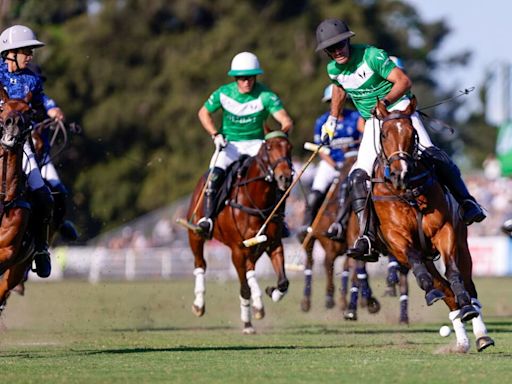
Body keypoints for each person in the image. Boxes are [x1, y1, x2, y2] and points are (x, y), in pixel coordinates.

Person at [314, 18, 486, 261]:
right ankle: (366, 236)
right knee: (357, 175)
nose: (337, 51)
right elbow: (339, 88)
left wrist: (384, 103)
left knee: (432, 153)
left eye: (340, 44)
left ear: (348, 41)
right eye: (331, 49)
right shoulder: (334, 69)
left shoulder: (371, 56)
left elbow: (404, 81)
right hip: (375, 121)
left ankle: (467, 202)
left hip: (400, 110)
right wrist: (332, 121)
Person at [196, 51, 293, 239]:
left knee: (280, 174)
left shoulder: (265, 95)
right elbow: (203, 113)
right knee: (214, 175)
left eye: (250, 77)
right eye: (242, 78)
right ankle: (208, 219)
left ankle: (279, 219)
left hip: (257, 144)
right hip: (230, 144)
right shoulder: (223, 93)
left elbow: (285, 119)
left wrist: (282, 130)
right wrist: (215, 134)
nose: (246, 82)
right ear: (235, 78)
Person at [0, 25, 64, 277]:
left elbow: (43, 101)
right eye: (26, 50)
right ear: (10, 53)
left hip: (21, 145)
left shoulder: (33, 80)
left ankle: (40, 248)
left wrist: (52, 109)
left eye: (31, 51)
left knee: (45, 195)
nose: (30, 56)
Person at [297, 84, 363, 241]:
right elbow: (321, 149)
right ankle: (306, 225)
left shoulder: (355, 117)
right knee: (315, 193)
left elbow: (364, 137)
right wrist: (334, 165)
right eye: (331, 101)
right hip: (330, 164)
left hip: (352, 162)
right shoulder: (322, 121)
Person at [27, 62, 79, 244]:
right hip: (14, 154)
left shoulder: (43, 99)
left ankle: (59, 223)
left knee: (59, 191)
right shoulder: (11, 99)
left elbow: (53, 109)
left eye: (37, 80)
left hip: (41, 158)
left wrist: (56, 114)